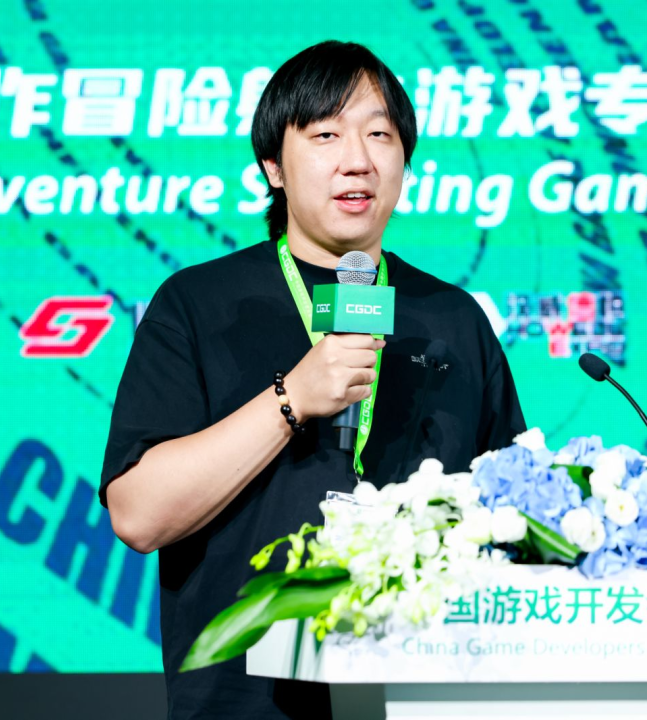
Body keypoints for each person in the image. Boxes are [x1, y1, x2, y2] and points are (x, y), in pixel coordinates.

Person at [99, 40, 526, 720]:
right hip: (244, 703)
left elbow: (515, 521)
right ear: (273, 165)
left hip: (424, 697)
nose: (357, 159)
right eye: (326, 134)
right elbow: (138, 515)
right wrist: (291, 399)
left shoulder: (453, 319)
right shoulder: (200, 305)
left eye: (379, 135)